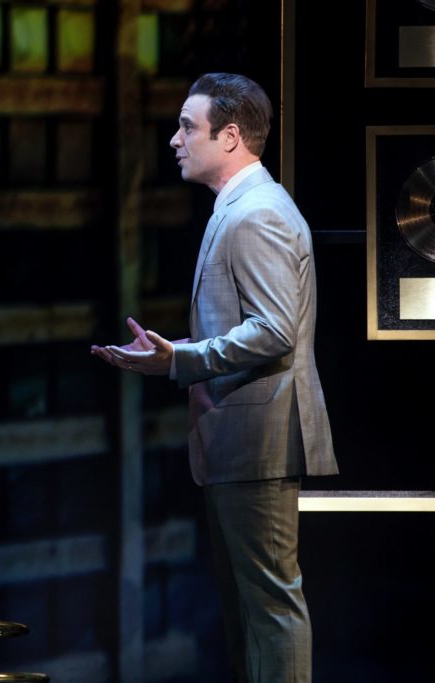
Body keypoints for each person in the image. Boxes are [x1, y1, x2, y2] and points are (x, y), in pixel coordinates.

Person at [92, 73, 338, 683]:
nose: (175, 139)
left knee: (270, 610)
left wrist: (178, 359)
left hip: (260, 440)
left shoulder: (256, 215)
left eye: (187, 127)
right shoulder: (240, 208)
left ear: (230, 136)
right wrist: (176, 354)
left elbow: (274, 330)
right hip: (238, 441)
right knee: (248, 616)